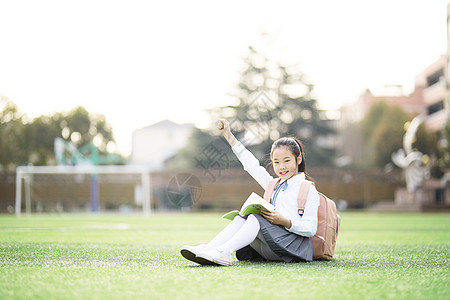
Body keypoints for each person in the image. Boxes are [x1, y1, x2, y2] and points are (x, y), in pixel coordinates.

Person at [180, 119, 320, 266]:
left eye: (286, 161)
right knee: (242, 217)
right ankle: (210, 248)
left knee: (254, 217)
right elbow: (251, 165)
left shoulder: (308, 189)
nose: (281, 167)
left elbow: (311, 228)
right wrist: (228, 135)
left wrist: (285, 221)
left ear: (298, 159)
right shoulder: (273, 184)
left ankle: (224, 252)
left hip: (294, 250)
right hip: (274, 247)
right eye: (276, 162)